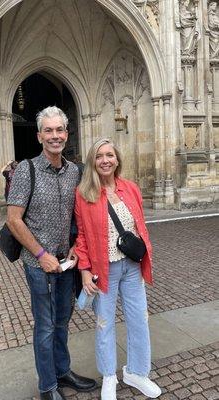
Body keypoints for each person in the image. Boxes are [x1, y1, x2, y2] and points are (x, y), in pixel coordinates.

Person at [7, 106, 96, 400]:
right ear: (39, 136)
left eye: (60, 130)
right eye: (49, 130)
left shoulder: (74, 171)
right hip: (38, 264)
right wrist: (41, 253)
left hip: (66, 264)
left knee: (62, 321)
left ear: (66, 134)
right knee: (45, 326)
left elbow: (77, 215)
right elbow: (13, 220)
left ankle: (62, 372)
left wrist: (74, 245)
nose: (55, 136)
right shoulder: (26, 170)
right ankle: (47, 387)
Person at [74, 138, 162, 399]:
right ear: (93, 161)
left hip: (132, 267)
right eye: (99, 156)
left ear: (117, 159)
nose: (105, 160)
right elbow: (81, 236)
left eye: (109, 155)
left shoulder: (130, 188)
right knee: (105, 323)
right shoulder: (84, 194)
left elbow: (139, 226)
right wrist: (85, 269)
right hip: (104, 269)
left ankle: (136, 372)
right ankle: (109, 377)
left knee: (139, 320)